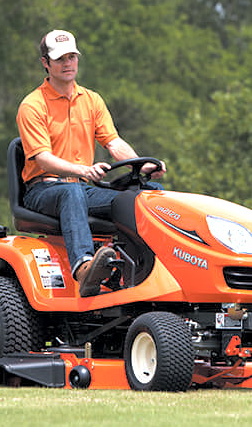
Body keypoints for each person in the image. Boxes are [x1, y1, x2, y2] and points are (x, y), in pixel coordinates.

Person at [16, 29, 164, 297]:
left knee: (143, 197)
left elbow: (114, 143)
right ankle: (85, 269)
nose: (67, 63)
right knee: (71, 191)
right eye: (60, 58)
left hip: (82, 189)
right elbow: (43, 159)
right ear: (45, 63)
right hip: (43, 190)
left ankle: (149, 269)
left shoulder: (92, 100)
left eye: (72, 57)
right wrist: (83, 170)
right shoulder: (33, 105)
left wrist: (142, 167)